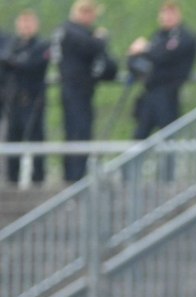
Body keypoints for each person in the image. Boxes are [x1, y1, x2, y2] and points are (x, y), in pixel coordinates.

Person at [54, 0, 116, 183]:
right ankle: (74, 178)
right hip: (74, 90)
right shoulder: (70, 31)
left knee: (83, 133)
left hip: (84, 91)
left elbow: (107, 63)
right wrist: (101, 39)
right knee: (77, 133)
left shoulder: (84, 33)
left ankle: (78, 176)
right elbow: (93, 47)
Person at [127, 1, 196, 140]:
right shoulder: (158, 37)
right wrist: (136, 53)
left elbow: (164, 55)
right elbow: (136, 62)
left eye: (171, 13)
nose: (167, 17)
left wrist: (145, 49)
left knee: (168, 139)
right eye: (164, 13)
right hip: (150, 93)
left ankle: (168, 163)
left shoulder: (185, 37)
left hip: (168, 94)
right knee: (139, 138)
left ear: (179, 15)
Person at [1, 10, 50, 185]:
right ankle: (12, 179)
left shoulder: (42, 45)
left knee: (36, 139)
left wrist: (13, 61)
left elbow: (30, 65)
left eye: (29, 23)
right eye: (23, 24)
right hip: (13, 99)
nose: (25, 27)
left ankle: (38, 179)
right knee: (13, 138)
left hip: (33, 99)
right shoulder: (13, 44)